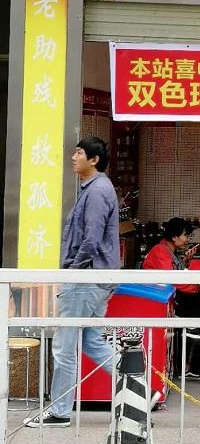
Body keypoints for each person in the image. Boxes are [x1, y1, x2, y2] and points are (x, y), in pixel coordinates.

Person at [26, 137, 123, 428]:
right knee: (92, 342)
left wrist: (72, 269)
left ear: (94, 160)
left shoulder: (97, 191)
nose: (73, 156)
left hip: (85, 279)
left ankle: (59, 412)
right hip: (95, 279)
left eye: (79, 152)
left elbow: (91, 239)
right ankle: (138, 389)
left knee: (64, 346)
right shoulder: (97, 188)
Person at [142, 217, 200, 380]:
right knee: (198, 322)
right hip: (162, 303)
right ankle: (188, 368)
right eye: (186, 235)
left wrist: (188, 261)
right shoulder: (160, 252)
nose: (187, 239)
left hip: (172, 301)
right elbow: (177, 281)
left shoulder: (169, 251)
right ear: (174, 237)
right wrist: (195, 273)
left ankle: (190, 366)